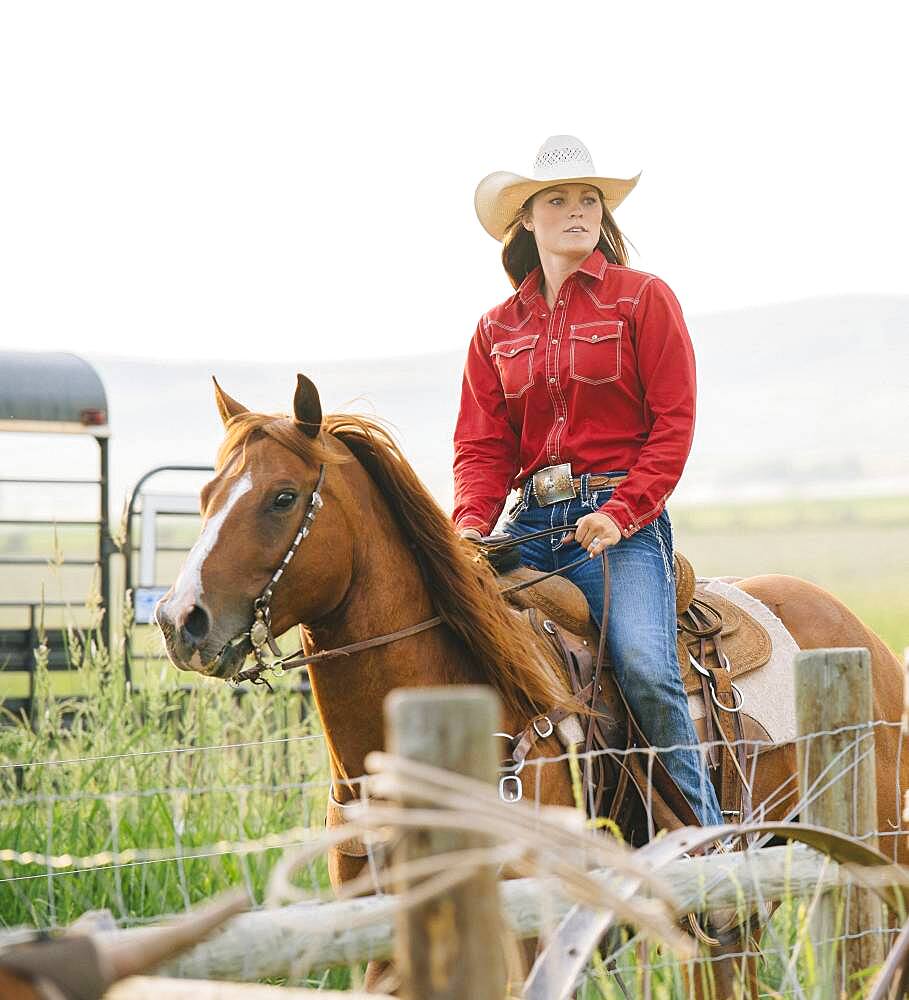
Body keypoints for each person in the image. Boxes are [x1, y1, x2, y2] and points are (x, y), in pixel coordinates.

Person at [452, 135, 723, 827]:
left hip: (616, 522)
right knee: (448, 632)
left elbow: (673, 424)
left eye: (588, 200)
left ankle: (714, 844)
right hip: (527, 526)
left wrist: (623, 511)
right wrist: (469, 525)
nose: (576, 210)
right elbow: (481, 447)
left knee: (641, 665)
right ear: (526, 220)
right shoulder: (494, 331)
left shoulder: (642, 299)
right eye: (558, 200)